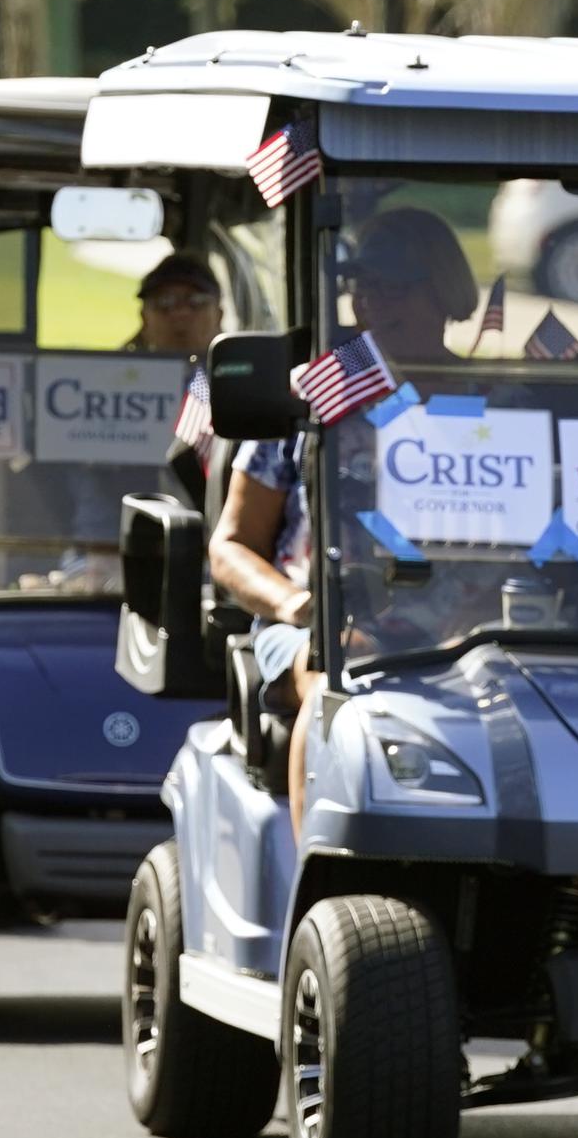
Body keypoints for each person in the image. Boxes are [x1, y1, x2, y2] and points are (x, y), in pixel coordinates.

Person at [206, 207, 477, 836]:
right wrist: (302, 606)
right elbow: (232, 547)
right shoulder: (315, 397)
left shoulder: (494, 396)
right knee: (338, 681)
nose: (375, 300)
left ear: (444, 289)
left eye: (398, 283)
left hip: (474, 620)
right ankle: (319, 870)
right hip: (324, 618)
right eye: (363, 282)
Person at [129, 252, 223, 358]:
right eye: (164, 302)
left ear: (218, 317)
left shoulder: (239, 372)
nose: (180, 313)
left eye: (196, 301)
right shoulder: (117, 371)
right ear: (145, 319)